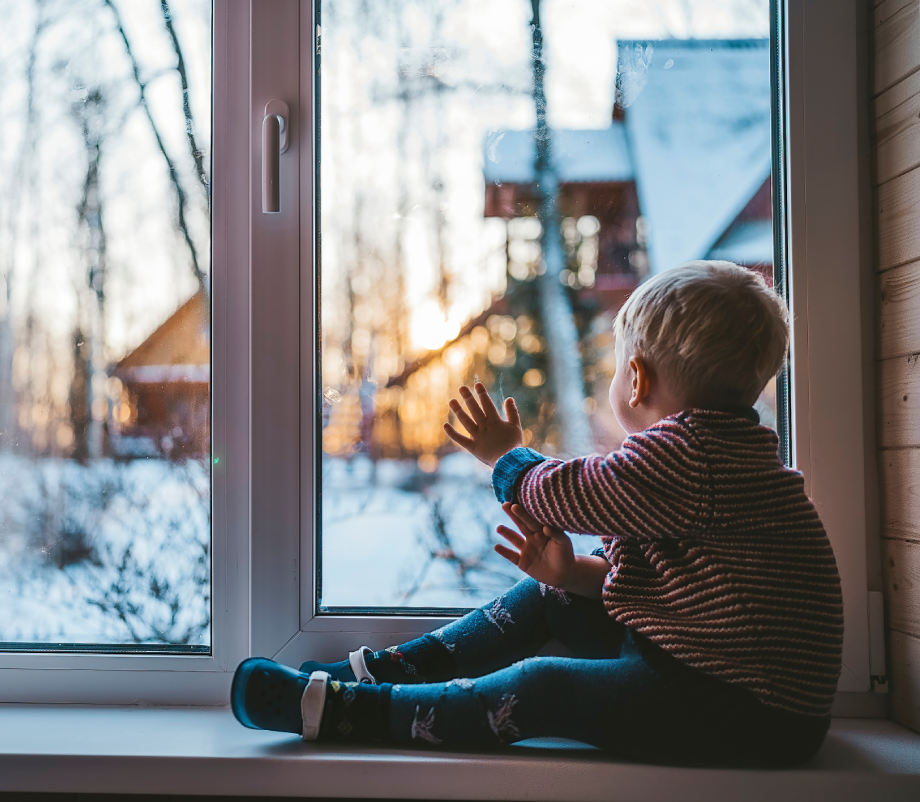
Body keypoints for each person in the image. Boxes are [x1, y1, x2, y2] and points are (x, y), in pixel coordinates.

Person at [229, 260, 843, 766]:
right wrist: (574, 576)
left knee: (545, 686)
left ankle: (345, 711)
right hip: (722, 680)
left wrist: (507, 458)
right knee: (549, 596)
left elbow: (578, 492)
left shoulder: (695, 454)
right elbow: (681, 591)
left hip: (743, 710)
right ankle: (375, 672)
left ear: (636, 377)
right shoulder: (724, 454)